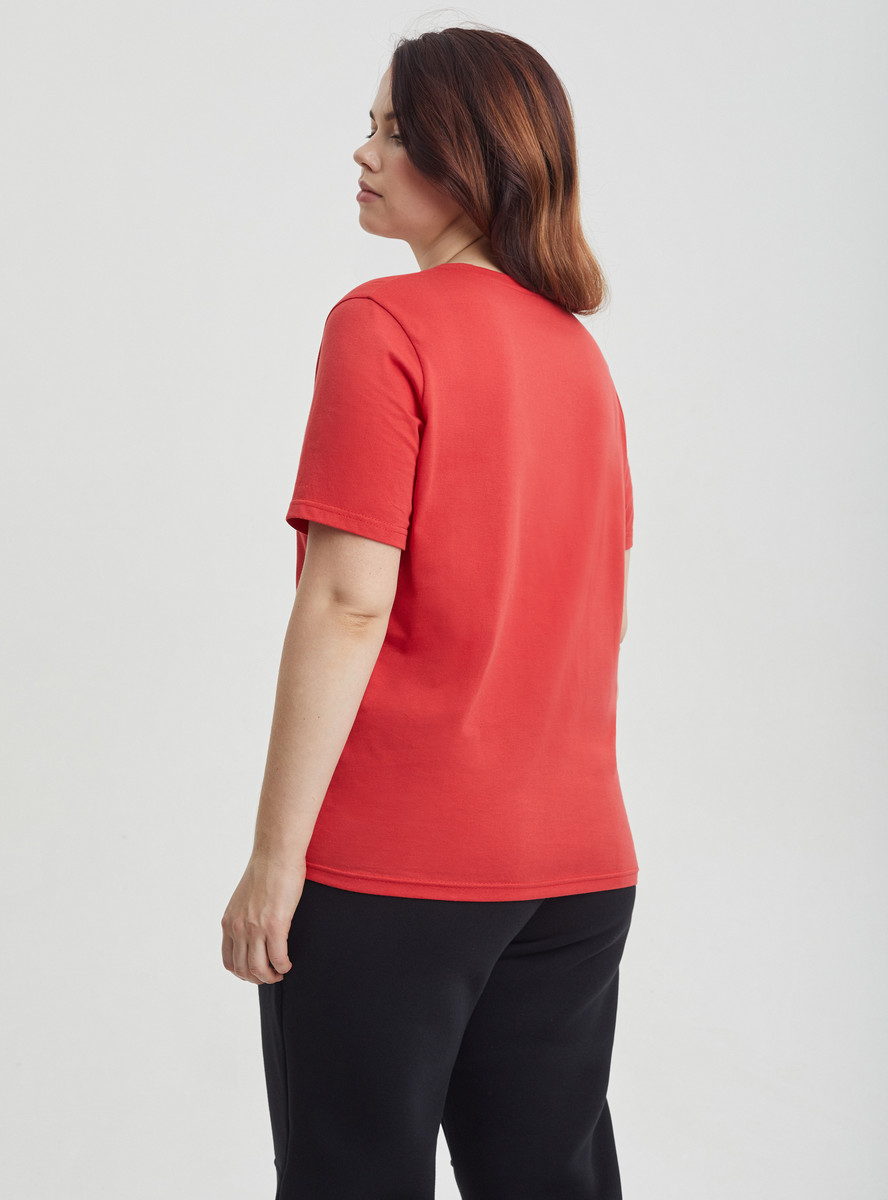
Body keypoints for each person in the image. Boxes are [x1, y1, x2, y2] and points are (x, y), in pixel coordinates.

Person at [221, 23, 640, 1200]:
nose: (364, 154)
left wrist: (275, 861)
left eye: (397, 133)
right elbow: (595, 613)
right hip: (578, 870)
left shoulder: (383, 325)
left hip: (398, 874)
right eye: (369, 127)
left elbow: (348, 603)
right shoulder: (578, 357)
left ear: (475, 152)